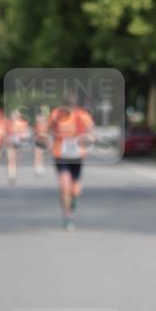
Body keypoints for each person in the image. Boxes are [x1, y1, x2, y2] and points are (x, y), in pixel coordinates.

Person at [48, 97, 95, 230]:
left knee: (75, 189)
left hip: (77, 156)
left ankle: (73, 198)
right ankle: (67, 218)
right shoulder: (55, 114)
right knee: (64, 186)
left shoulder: (82, 115)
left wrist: (88, 138)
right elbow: (47, 129)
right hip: (60, 154)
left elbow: (91, 130)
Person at [4, 109, 31, 184]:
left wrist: (21, 135)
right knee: (10, 158)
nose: (15, 116)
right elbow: (4, 132)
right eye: (14, 115)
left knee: (14, 158)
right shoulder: (8, 123)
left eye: (17, 115)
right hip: (10, 142)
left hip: (18, 143)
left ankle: (14, 172)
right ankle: (11, 173)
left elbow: (27, 134)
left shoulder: (22, 123)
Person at [33, 105, 50, 176]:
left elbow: (47, 130)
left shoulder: (46, 121)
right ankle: (37, 167)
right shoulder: (38, 120)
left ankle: (39, 166)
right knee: (38, 153)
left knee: (40, 154)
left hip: (44, 139)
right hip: (39, 138)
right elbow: (36, 131)